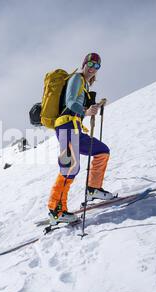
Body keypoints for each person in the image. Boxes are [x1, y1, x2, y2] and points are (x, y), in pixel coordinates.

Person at [47, 52, 115, 225]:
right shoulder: (77, 79)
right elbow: (70, 102)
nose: (93, 69)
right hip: (66, 127)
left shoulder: (84, 84)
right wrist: (85, 111)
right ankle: (56, 210)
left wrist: (96, 106)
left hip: (75, 128)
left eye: (97, 66)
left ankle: (93, 188)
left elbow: (78, 105)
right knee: (70, 168)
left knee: (102, 151)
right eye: (90, 64)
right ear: (84, 64)